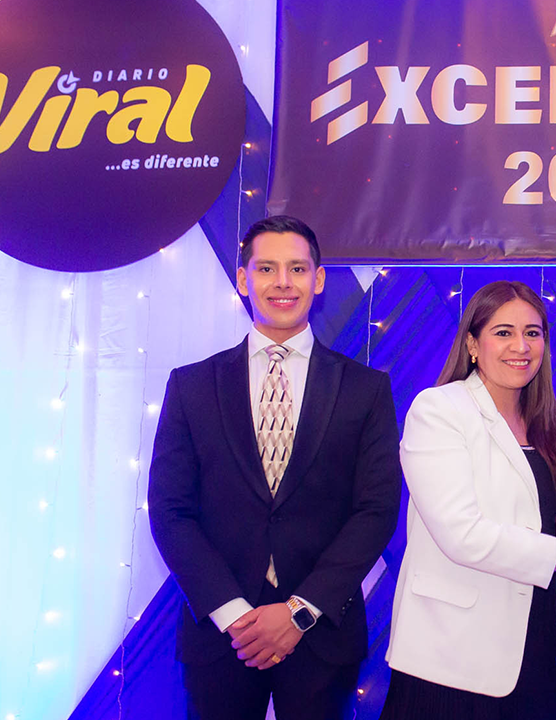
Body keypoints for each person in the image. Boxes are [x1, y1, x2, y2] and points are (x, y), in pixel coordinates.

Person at [148, 216, 402, 720]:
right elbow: (170, 510)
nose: (283, 282)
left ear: (318, 279)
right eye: (266, 268)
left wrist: (298, 612)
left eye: (297, 269)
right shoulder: (191, 386)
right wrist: (235, 616)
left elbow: (376, 511)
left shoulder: (366, 389)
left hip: (322, 636)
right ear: (243, 280)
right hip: (221, 637)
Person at [383, 281, 556, 720]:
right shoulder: (439, 410)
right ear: (472, 343)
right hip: (454, 658)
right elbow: (462, 534)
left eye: (532, 333)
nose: (521, 346)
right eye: (503, 332)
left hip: (543, 646)